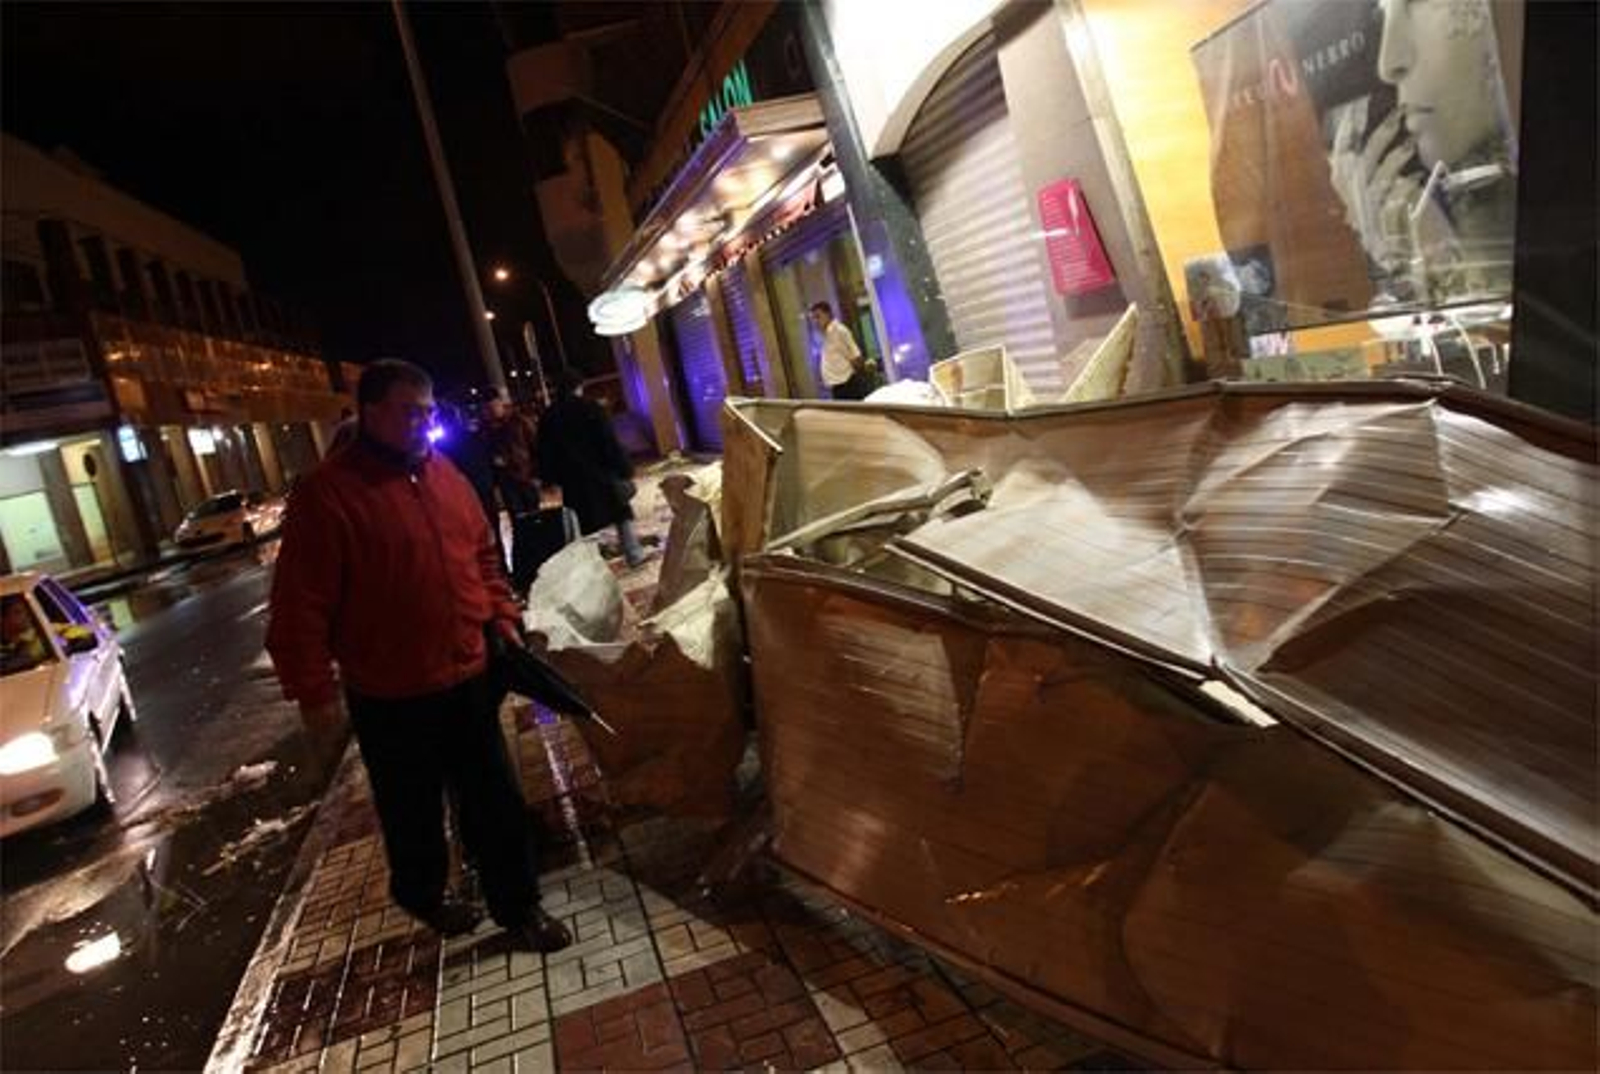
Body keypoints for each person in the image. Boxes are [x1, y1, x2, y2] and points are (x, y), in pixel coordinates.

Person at [265, 359, 570, 952]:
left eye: (428, 411)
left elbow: (483, 556)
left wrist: (502, 616)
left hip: (469, 673)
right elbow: (299, 604)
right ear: (370, 411)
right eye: (410, 411)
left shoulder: (445, 476)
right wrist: (314, 694)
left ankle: (519, 907)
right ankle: (421, 891)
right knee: (414, 814)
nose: (422, 423)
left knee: (494, 800)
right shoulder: (327, 495)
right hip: (392, 695)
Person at [535, 372, 648, 568]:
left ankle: (596, 566)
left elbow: (545, 452)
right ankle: (633, 554)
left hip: (573, 480)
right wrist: (624, 468)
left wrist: (549, 479)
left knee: (584, 523)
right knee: (620, 513)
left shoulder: (549, 416)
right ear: (578, 387)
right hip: (603, 474)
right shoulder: (590, 408)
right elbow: (609, 442)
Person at [810, 302, 873, 401]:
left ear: (828, 314)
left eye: (818, 317)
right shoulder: (825, 335)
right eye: (814, 318)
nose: (816, 321)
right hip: (837, 385)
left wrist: (861, 374)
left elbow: (855, 355)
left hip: (847, 384)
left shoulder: (840, 331)